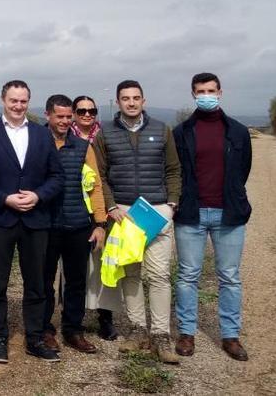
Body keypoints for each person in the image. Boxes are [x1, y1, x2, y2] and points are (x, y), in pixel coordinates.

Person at [0, 80, 63, 363]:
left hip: (36, 219)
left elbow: (57, 177)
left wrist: (37, 195)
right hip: (1, 218)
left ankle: (34, 337)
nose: (18, 106)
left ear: (28, 102)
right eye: (13, 100)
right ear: (3, 100)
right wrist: (4, 198)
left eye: (23, 101)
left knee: (36, 282)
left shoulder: (41, 134)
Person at [93, 80, 182, 365]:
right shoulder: (105, 133)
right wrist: (110, 207)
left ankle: (160, 335)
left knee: (158, 275)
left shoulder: (161, 129)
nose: (131, 103)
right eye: (125, 98)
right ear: (118, 102)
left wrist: (171, 205)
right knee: (131, 275)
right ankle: (137, 330)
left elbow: (173, 170)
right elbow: (100, 175)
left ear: (143, 100)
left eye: (136, 98)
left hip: (156, 214)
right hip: (125, 215)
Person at [172, 73, 252, 361]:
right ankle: (186, 333)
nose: (206, 95)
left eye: (211, 90)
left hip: (228, 214)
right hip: (191, 213)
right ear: (193, 94)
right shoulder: (181, 132)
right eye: (200, 91)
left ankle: (230, 336)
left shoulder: (239, 131)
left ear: (220, 92)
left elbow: (243, 171)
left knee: (229, 277)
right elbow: (176, 171)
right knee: (187, 276)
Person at [41, 95, 107, 354]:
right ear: (48, 115)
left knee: (76, 281)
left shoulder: (83, 147)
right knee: (44, 280)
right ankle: (44, 329)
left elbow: (95, 186)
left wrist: (99, 223)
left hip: (78, 224)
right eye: (60, 116)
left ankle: (73, 330)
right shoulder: (36, 143)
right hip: (45, 225)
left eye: (69, 117)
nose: (65, 121)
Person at [72, 94, 118, 342]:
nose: (87, 115)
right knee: (75, 269)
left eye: (92, 110)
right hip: (73, 210)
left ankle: (105, 317)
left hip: (101, 208)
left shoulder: (105, 137)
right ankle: (74, 318)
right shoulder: (61, 137)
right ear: (73, 113)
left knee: (104, 264)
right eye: (81, 111)